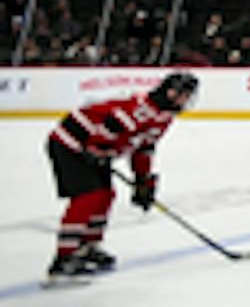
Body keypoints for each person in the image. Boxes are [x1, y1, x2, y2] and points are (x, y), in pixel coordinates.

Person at [46, 71, 198, 281]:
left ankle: (88, 246)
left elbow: (144, 148)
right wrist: (98, 151)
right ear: (171, 92)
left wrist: (142, 180)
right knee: (89, 196)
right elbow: (108, 129)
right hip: (70, 144)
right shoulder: (142, 109)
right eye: (184, 95)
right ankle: (64, 258)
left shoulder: (164, 116)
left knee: (106, 194)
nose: (186, 100)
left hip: (93, 148)